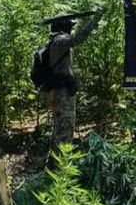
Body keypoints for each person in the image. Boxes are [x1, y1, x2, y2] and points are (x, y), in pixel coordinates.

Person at [39, 10, 103, 154]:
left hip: (58, 92)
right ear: (63, 26)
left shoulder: (54, 41)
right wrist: (95, 20)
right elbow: (78, 38)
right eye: (69, 26)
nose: (71, 28)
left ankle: (54, 168)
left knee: (59, 131)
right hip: (62, 93)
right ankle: (62, 169)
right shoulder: (60, 41)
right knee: (65, 131)